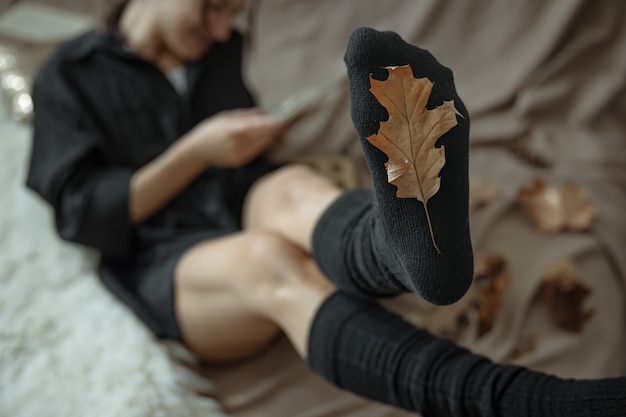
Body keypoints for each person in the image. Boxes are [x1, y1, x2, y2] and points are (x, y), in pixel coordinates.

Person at [25, 0, 625, 415]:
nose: (219, 29)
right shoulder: (67, 75)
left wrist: (254, 137)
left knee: (295, 192)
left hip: (243, 192)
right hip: (163, 255)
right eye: (212, 9)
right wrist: (198, 150)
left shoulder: (223, 50)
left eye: (231, 15)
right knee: (268, 261)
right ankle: (533, 403)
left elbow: (248, 161)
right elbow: (82, 212)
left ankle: (405, 253)